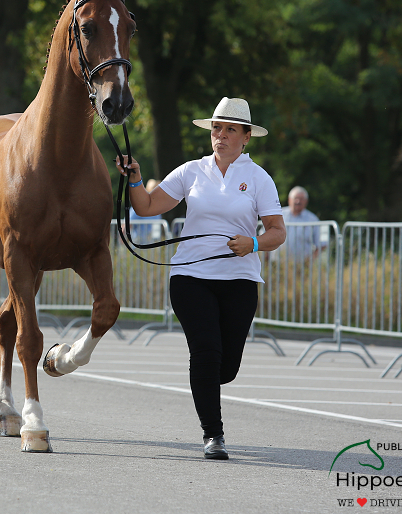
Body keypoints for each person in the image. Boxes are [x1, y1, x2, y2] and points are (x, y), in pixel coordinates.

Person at [116, 97, 285, 460]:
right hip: (191, 276)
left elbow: (277, 232)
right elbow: (145, 206)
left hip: (240, 278)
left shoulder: (259, 178)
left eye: (230, 130)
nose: (221, 136)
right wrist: (135, 179)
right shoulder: (191, 171)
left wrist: (253, 242)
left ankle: (206, 383)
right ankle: (214, 435)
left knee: (226, 367)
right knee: (206, 353)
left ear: (246, 138)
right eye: (216, 129)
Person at [280, 186, 322, 259]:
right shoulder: (278, 215)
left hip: (302, 266)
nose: (298, 201)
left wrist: (309, 261)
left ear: (306, 201)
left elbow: (321, 244)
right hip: (275, 265)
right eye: (295, 198)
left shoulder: (313, 219)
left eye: (301, 199)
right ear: (289, 200)